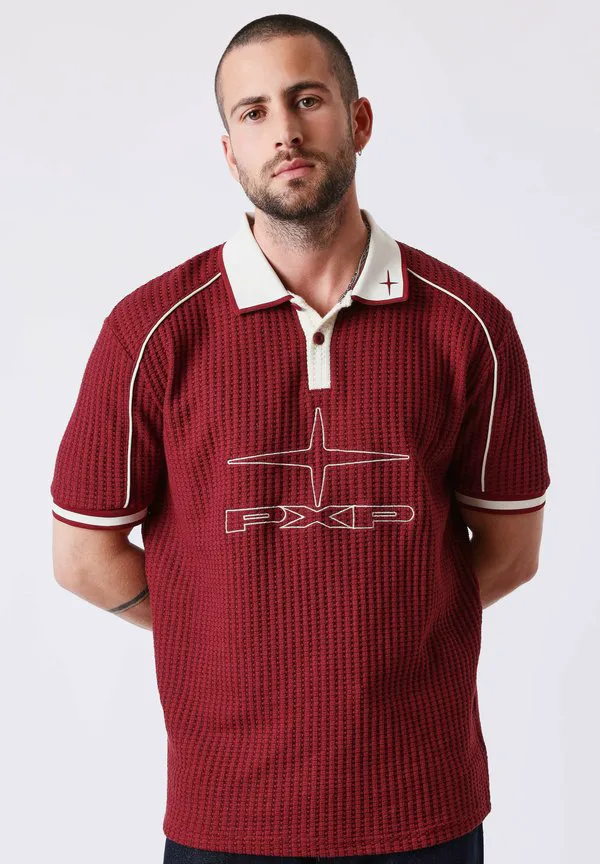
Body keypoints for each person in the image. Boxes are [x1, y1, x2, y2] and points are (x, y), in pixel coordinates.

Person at [50, 13, 550, 864]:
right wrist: (218, 628)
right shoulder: (151, 332)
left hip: (423, 804)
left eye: (307, 99)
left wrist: (388, 632)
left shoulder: (470, 326)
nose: (283, 130)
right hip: (227, 810)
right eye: (253, 112)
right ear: (230, 152)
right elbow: (83, 558)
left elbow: (510, 552)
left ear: (358, 120)